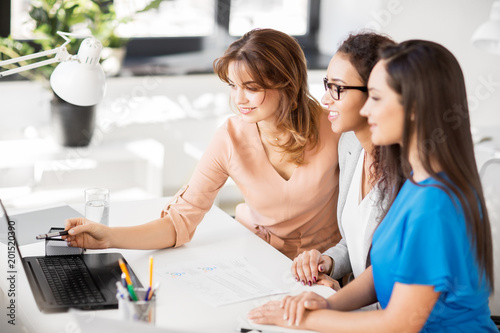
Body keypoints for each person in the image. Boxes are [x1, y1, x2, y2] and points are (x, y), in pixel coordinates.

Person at [248, 39, 497, 332]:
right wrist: (327, 304)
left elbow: (400, 323)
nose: (366, 112)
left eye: (376, 98)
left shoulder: (435, 203)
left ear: (414, 107)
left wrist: (304, 319)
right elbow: (381, 272)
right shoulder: (416, 184)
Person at [63, 28, 341, 260]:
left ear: (288, 86)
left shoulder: (337, 128)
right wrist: (108, 237)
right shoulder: (231, 137)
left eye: (252, 88)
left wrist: (334, 266)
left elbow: (367, 215)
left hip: (323, 267)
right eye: (233, 85)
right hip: (257, 256)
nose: (239, 99)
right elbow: (178, 222)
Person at [291, 32, 395, 291]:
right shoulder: (350, 145)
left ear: (376, 93)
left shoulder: (408, 175)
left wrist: (342, 299)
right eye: (327, 84)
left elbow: (394, 279)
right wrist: (326, 262)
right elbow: (353, 244)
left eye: (337, 88)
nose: (326, 99)